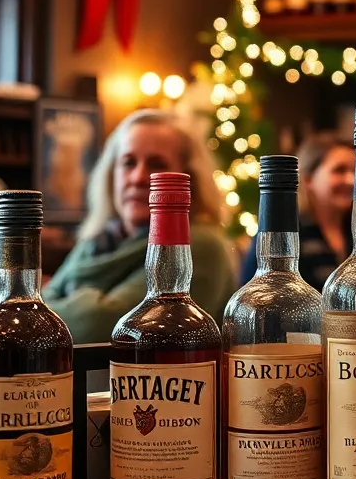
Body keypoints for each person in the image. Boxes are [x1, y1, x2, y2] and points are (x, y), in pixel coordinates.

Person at [43, 109, 236, 343]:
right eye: (128, 162)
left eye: (156, 164)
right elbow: (37, 313)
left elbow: (97, 327)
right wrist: (89, 301)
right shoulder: (98, 240)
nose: (138, 177)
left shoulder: (200, 244)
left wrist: (72, 297)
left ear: (189, 180)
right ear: (111, 174)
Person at [238, 132, 355, 290]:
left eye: (355, 171)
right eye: (339, 170)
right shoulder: (283, 233)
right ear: (308, 178)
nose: (351, 180)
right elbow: (255, 293)